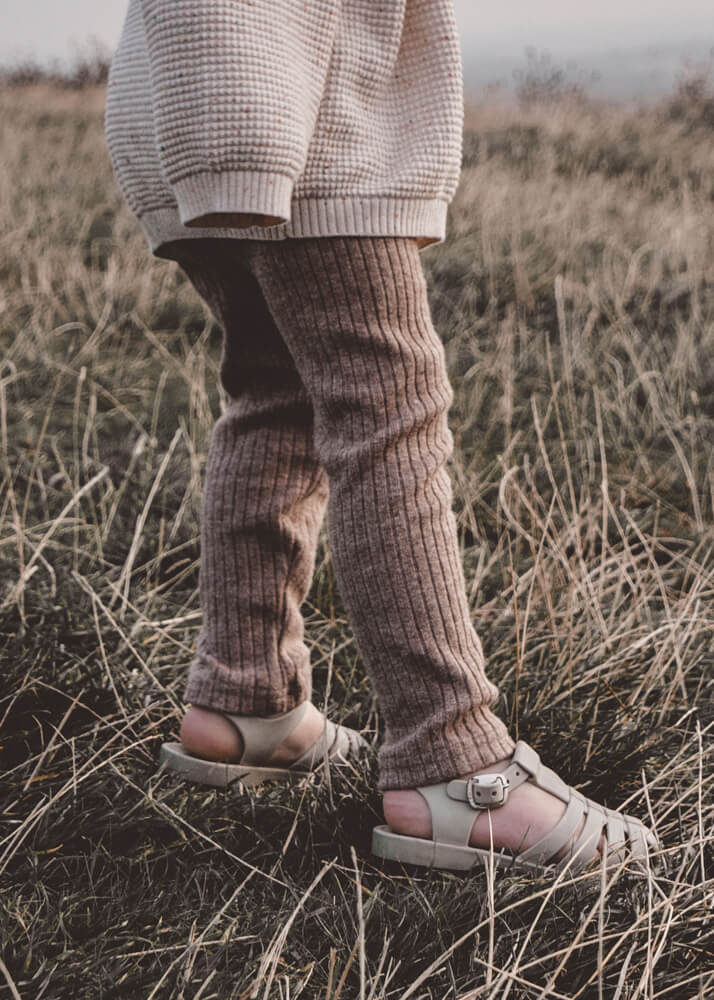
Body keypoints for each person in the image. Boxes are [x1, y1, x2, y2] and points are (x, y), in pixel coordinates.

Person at [103, 0, 658, 875]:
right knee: (389, 410)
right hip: (292, 119)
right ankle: (455, 763)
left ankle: (245, 701)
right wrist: (247, 139)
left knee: (276, 394)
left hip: (227, 113)